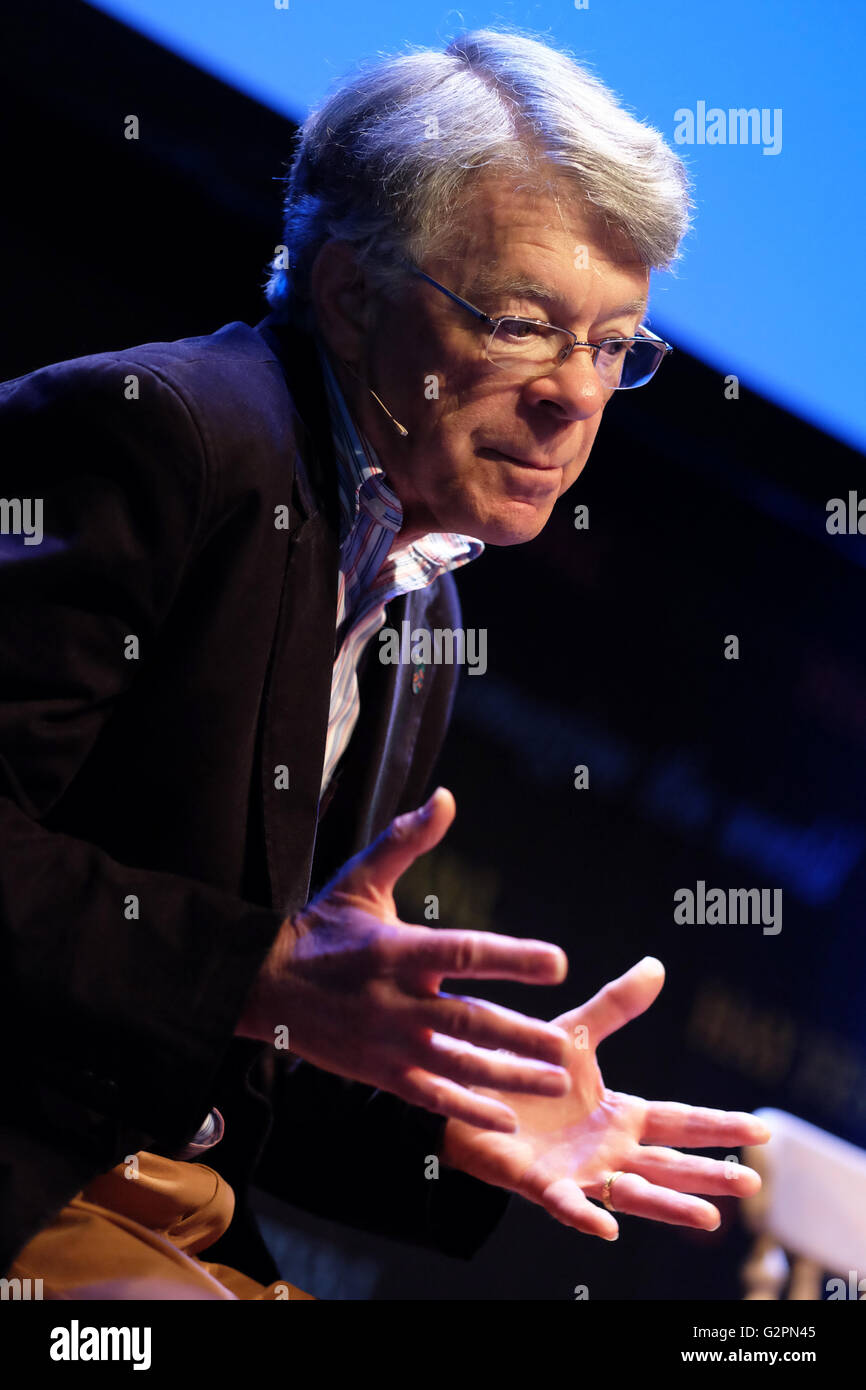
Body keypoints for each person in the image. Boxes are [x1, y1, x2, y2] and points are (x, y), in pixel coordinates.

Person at [0, 27, 769, 1301]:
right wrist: (255, 970)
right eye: (524, 325)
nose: (572, 397)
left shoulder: (416, 600)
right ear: (353, 293)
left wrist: (456, 1114)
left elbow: (234, 1038)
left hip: (165, 1214)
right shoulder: (161, 441)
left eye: (612, 345)